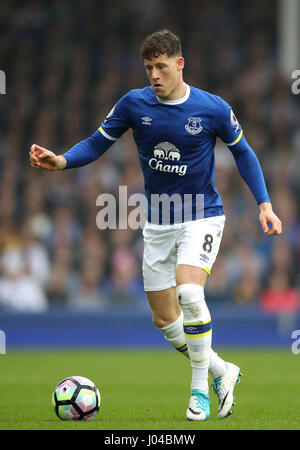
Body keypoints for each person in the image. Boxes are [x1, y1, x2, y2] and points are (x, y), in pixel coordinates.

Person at [29, 29, 282, 421]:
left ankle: (199, 391)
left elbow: (244, 153)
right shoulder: (134, 104)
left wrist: (264, 205)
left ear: (180, 64)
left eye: (161, 66)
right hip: (158, 225)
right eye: (149, 68)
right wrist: (62, 161)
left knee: (190, 294)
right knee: (165, 320)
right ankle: (222, 370)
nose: (155, 75)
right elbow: (98, 142)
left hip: (202, 216)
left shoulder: (212, 109)